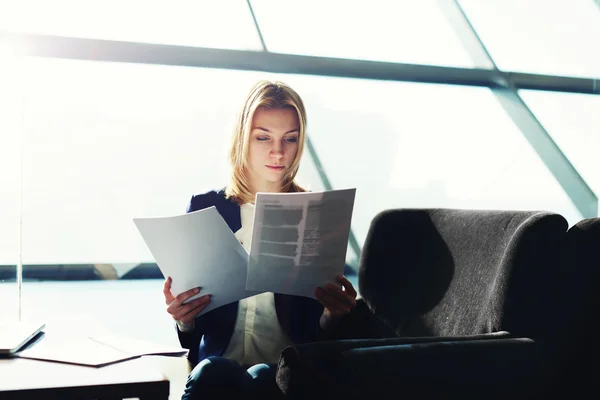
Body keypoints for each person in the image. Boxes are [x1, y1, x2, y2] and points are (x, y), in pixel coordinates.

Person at [162, 80, 358, 399]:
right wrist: (183, 318)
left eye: (289, 139)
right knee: (212, 372)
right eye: (263, 137)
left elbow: (317, 330)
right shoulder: (205, 208)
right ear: (244, 138)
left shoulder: (315, 213)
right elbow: (191, 334)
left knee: (264, 378)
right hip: (215, 363)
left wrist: (333, 314)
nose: (278, 151)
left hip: (284, 371)